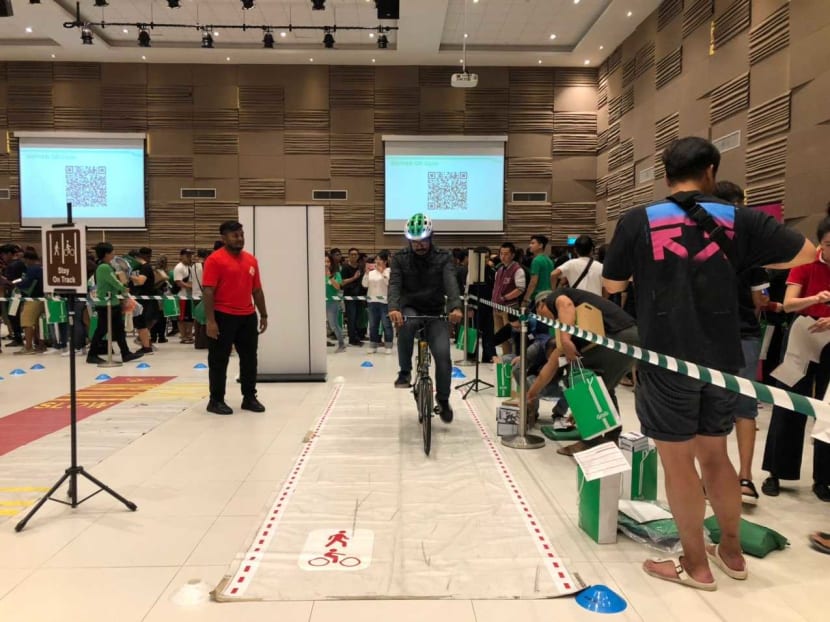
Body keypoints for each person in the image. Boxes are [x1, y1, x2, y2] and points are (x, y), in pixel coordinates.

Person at [603, 136, 813, 591]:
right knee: (716, 456)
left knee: (678, 464)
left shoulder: (638, 220)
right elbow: (806, 252)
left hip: (665, 358)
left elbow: (613, 282)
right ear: (712, 172)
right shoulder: (737, 218)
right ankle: (732, 553)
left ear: (665, 174)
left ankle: (695, 565)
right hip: (722, 359)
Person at [761, 206, 830, 502]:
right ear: (820, 243)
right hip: (802, 334)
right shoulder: (806, 263)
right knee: (789, 401)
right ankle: (776, 472)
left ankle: (824, 479)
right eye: (829, 244)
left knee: (827, 411)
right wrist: (814, 299)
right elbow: (789, 304)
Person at [713, 181, 769, 505]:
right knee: (745, 407)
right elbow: (759, 298)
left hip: (709, 335)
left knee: (714, 405)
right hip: (745, 333)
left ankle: (715, 479)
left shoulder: (698, 246)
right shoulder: (752, 248)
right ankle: (745, 479)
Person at [532, 287, 639, 454]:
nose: (546, 320)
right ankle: (611, 437)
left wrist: (565, 339)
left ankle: (590, 441)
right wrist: (531, 395)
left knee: (578, 379)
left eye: (542, 316)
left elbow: (565, 304)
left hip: (618, 336)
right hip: (633, 336)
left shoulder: (555, 298)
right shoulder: (573, 322)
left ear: (540, 305)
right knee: (603, 387)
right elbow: (552, 364)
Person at [388, 213, 463, 423]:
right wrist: (393, 307)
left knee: (443, 356)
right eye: (414, 242)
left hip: (435, 311)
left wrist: (455, 307)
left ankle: (443, 399)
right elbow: (394, 284)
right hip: (410, 307)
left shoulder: (444, 256)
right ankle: (404, 372)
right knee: (405, 322)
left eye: (423, 241)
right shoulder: (400, 258)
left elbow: (451, 282)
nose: (419, 245)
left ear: (431, 237)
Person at [202, 221, 268, 416]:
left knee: (249, 359)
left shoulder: (251, 260)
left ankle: (249, 397)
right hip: (223, 316)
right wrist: (211, 321)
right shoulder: (215, 260)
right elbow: (208, 291)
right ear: (224, 238)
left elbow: (257, 290)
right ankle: (216, 400)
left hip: (247, 316)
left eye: (241, 234)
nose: (239, 239)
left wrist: (263, 314)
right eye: (235, 235)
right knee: (219, 360)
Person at [87, 242, 143, 365]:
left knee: (119, 330)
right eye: (112, 252)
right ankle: (92, 354)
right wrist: (124, 288)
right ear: (106, 254)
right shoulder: (104, 268)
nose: (114, 254)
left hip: (113, 302)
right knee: (101, 330)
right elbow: (114, 282)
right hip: (106, 304)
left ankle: (125, 353)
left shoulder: (105, 266)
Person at [492, 242, 526, 357]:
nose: (503, 256)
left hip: (509, 308)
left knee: (510, 337)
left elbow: (520, 289)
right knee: (501, 338)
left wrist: (505, 298)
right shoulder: (499, 269)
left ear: (512, 255)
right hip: (497, 308)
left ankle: (513, 359)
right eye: (501, 253)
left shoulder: (517, 270)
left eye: (506, 254)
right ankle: (506, 359)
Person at [362, 250, 394, 354]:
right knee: (372, 325)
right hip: (372, 302)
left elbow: (389, 283)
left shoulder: (389, 271)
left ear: (385, 261)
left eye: (380, 259)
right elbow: (365, 285)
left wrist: (382, 272)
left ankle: (388, 345)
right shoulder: (371, 272)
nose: (377, 261)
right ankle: (373, 345)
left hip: (385, 302)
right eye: (376, 259)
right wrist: (366, 273)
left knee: (386, 324)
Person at [14, 250, 45, 355]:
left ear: (27, 259)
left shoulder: (32, 269)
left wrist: (16, 284)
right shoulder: (42, 267)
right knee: (38, 323)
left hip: (32, 299)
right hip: (42, 298)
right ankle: (41, 345)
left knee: (27, 322)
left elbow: (27, 283)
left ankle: (28, 347)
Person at [129, 247, 158, 355]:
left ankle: (146, 346)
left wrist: (129, 276)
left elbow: (141, 281)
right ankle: (145, 343)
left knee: (142, 323)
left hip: (144, 299)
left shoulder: (145, 267)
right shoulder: (138, 268)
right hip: (138, 298)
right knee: (141, 323)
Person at [522, 234, 554, 308]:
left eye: (533, 243)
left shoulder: (536, 260)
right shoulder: (549, 260)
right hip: (549, 295)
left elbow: (533, 282)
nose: (530, 245)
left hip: (538, 297)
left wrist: (525, 299)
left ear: (540, 245)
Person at [325, 253, 346, 353]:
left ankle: (341, 344)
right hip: (318, 303)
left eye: (328, 261)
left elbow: (338, 287)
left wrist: (330, 277)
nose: (326, 264)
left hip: (332, 302)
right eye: (324, 261)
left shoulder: (336, 274)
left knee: (333, 324)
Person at [174, 248, 196, 344]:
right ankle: (183, 336)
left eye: (190, 255)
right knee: (182, 318)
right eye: (187, 255)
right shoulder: (179, 267)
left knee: (190, 317)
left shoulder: (190, 267)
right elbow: (178, 282)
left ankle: (189, 335)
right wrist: (190, 286)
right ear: (181, 256)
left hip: (190, 296)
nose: (189, 257)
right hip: (182, 296)